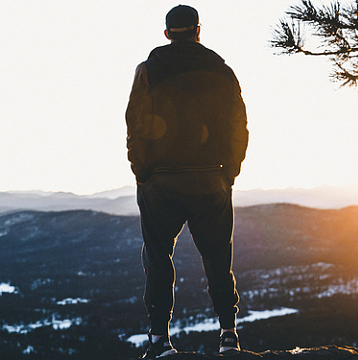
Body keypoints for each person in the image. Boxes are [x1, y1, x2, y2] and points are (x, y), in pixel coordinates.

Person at [125, 5, 249, 358]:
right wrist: (229, 172)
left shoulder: (148, 71)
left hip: (161, 182)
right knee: (217, 259)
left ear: (167, 33)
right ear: (198, 30)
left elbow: (135, 124)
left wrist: (143, 172)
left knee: (159, 258)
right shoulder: (223, 71)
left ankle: (160, 341)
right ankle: (228, 336)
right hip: (211, 179)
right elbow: (238, 126)